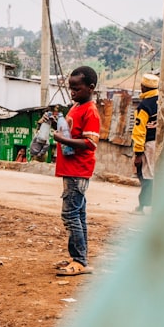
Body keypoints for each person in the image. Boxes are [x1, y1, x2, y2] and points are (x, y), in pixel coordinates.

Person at [51, 66, 101, 277]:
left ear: (90, 88)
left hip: (78, 170)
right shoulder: (76, 108)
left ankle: (79, 261)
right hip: (70, 169)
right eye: (70, 88)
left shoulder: (90, 111)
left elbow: (90, 142)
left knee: (71, 214)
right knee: (78, 214)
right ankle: (78, 258)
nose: (72, 92)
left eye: (76, 89)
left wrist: (62, 139)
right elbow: (71, 131)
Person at [131, 72, 159, 214]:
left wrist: (138, 153)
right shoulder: (162, 101)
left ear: (144, 88)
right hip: (160, 143)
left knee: (147, 174)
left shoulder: (144, 106)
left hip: (148, 144)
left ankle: (144, 206)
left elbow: (139, 131)